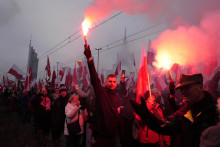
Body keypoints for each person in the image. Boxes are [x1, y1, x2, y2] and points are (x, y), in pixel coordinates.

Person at [131, 73, 218, 147]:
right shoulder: (189, 112)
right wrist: (145, 115)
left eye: (187, 87)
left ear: (200, 86)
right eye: (181, 89)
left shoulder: (215, 112)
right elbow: (166, 128)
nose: (183, 92)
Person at [84, 44, 121, 147]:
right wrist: (89, 58)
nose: (112, 83)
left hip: (112, 138)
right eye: (110, 81)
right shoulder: (102, 93)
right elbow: (94, 77)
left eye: (114, 81)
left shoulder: (118, 99)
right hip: (100, 137)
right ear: (106, 82)